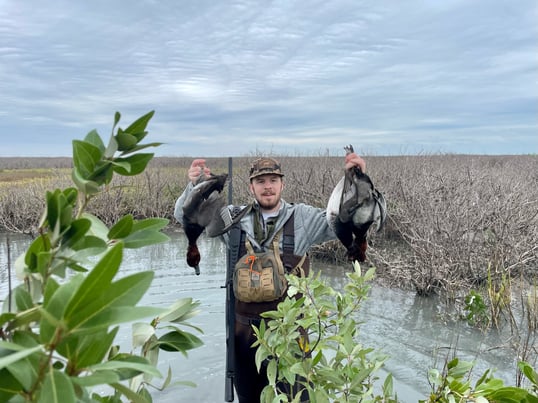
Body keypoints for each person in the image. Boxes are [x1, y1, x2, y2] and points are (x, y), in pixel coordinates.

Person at [174, 152, 367, 402]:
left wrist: (357, 180)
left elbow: (347, 220)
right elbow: (185, 217)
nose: (268, 187)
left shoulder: (304, 218)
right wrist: (195, 186)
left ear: (282, 184)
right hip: (244, 344)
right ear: (251, 187)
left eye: (273, 180)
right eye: (261, 181)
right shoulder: (231, 218)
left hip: (293, 341)